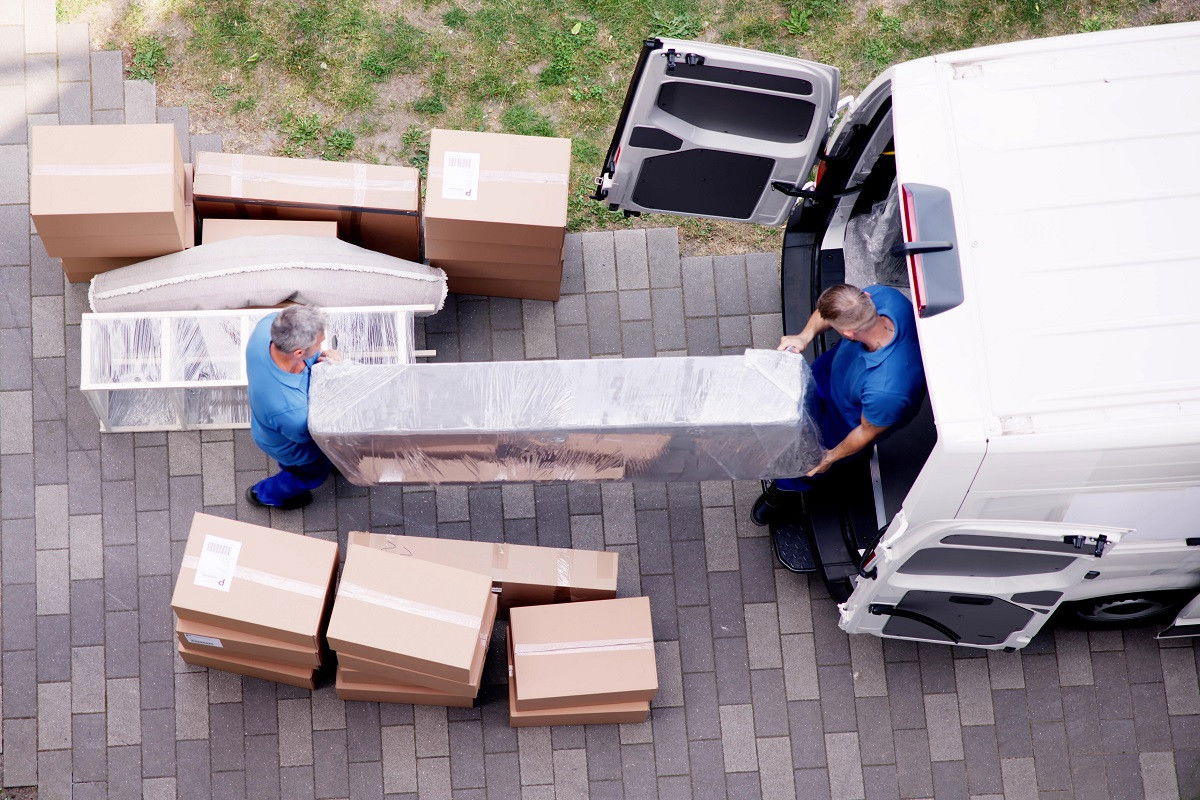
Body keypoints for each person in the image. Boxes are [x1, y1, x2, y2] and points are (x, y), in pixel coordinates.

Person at [751, 283, 925, 525]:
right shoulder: (884, 297)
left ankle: (785, 491)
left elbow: (865, 431)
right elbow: (827, 312)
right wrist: (805, 336)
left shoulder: (888, 390)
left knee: (805, 459)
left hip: (844, 421)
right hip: (832, 375)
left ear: (848, 335)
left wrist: (829, 457)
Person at [244, 305, 339, 511]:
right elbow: (315, 436)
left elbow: (310, 361)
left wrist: (323, 359)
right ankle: (266, 494)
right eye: (319, 343)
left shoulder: (269, 326)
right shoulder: (293, 413)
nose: (322, 346)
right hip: (294, 449)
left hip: (268, 425)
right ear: (298, 352)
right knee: (310, 475)